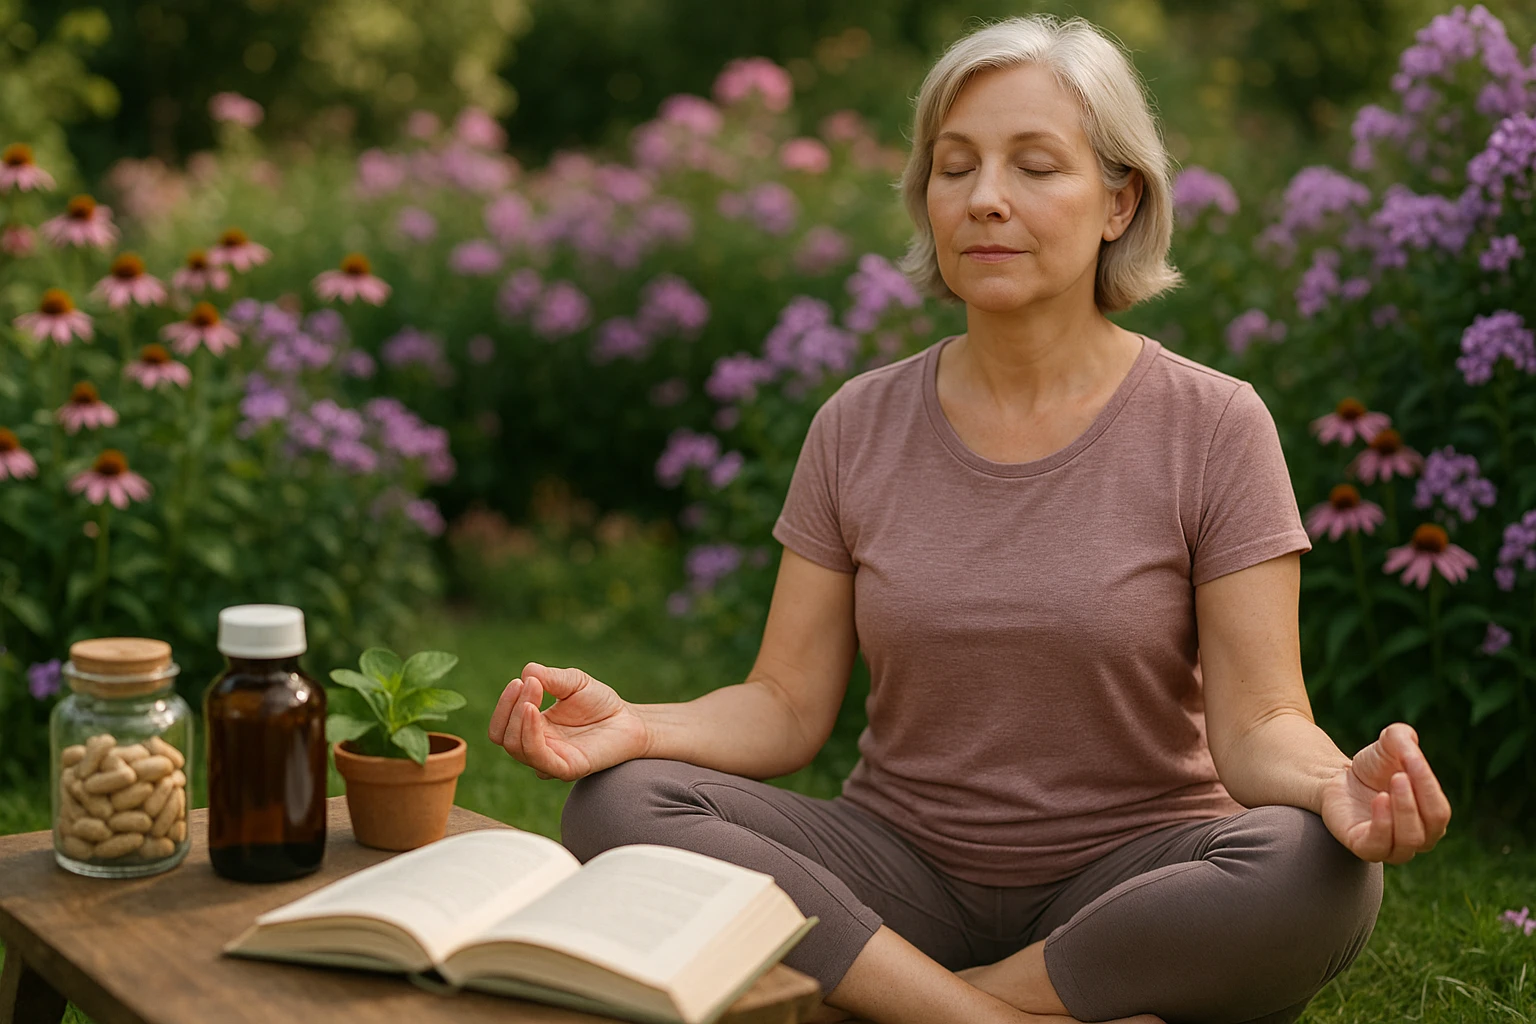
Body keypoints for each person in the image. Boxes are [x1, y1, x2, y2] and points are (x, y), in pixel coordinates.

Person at [489, 14, 1452, 1024]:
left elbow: (1258, 725)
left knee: (1319, 864)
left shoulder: (1213, 424)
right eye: (956, 168)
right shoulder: (857, 422)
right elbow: (783, 701)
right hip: (899, 874)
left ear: (1122, 199)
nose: (986, 199)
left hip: (1130, 882)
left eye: (1035, 166)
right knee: (617, 802)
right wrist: (639, 726)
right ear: (928, 198)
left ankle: (883, 1000)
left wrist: (1338, 782)